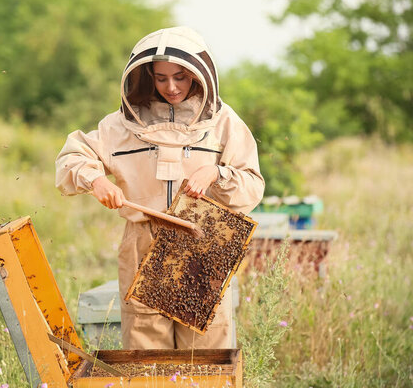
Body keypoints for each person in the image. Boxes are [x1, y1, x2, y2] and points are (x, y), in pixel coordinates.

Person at [56, 26, 264, 349]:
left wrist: (216, 173)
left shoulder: (223, 123)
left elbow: (253, 184)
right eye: (161, 77)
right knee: (146, 356)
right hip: (142, 244)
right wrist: (96, 181)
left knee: (206, 354)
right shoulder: (121, 125)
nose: (171, 87)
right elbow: (72, 155)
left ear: (197, 75)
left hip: (203, 242)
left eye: (180, 77)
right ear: (147, 76)